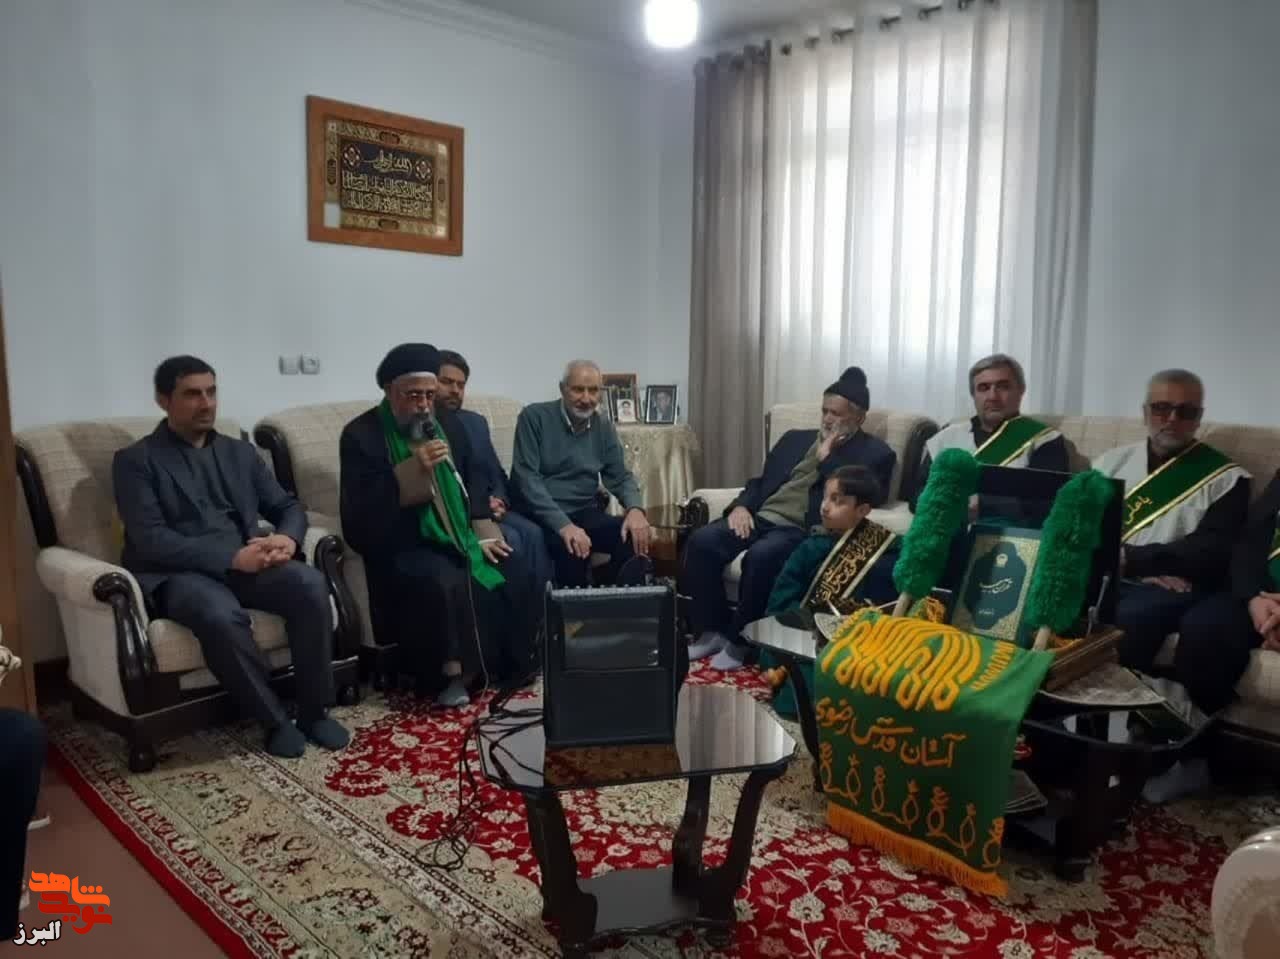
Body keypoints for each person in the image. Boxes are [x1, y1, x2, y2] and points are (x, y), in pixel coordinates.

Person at [113, 356, 348, 758]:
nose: (206, 403)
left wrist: (288, 539)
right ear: (163, 400)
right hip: (179, 573)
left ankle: (314, 711)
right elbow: (151, 539)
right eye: (192, 394)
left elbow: (287, 506)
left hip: (246, 563)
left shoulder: (240, 453)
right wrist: (232, 557)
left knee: (309, 584)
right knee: (218, 615)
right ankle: (273, 720)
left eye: (211, 391)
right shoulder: (136, 461)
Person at [340, 343, 538, 707]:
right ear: (390, 390)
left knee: (509, 558)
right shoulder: (361, 435)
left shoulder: (447, 423)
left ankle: (509, 662)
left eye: (429, 395)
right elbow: (363, 509)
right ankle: (451, 676)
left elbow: (473, 480)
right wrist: (413, 470)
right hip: (402, 539)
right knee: (444, 577)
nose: (423, 405)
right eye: (413, 395)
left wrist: (482, 532)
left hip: (459, 532)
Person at [1093, 369, 1249, 800]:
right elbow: (1083, 528)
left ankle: (1153, 745)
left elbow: (1210, 550)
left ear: (1199, 417)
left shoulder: (1227, 477)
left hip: (1181, 587)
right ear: (1145, 411)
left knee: (1131, 619)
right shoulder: (1109, 464)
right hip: (1115, 576)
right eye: (1162, 408)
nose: (1172, 419)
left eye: (1186, 411)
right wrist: (1130, 567)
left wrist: (1135, 560)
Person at [682, 367, 896, 671]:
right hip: (759, 517)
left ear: (859, 418)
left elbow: (864, 497)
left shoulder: (875, 454)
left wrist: (827, 459)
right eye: (824, 411)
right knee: (702, 541)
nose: (827, 419)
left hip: (798, 528)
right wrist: (741, 507)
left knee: (761, 556)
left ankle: (741, 642)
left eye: (836, 413)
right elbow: (760, 482)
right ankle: (712, 630)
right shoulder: (794, 439)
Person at [762, 466, 899, 717]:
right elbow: (781, 599)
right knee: (803, 691)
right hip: (806, 635)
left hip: (856, 639)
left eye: (838, 501)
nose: (825, 507)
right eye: (825, 497)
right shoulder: (810, 547)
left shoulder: (886, 553)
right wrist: (809, 626)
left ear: (863, 510)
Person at [510, 360, 653, 588]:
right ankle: (577, 609)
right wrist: (564, 526)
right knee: (573, 551)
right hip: (543, 515)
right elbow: (527, 480)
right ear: (562, 389)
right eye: (578, 389)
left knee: (630, 537)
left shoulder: (603, 425)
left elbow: (619, 476)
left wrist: (635, 510)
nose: (586, 399)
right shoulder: (533, 417)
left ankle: (614, 601)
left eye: (593, 390)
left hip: (584, 511)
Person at [435, 350, 552, 597]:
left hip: (492, 508)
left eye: (461, 385)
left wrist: (500, 499)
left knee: (534, 533)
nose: (455, 390)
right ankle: (511, 609)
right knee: (512, 540)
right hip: (463, 513)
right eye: (447, 382)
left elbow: (495, 471)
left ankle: (542, 608)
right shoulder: (426, 425)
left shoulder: (476, 422)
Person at [1174, 469, 1280, 715]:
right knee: (1203, 628)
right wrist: (1253, 597)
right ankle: (1201, 729)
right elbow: (1251, 537)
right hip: (1263, 596)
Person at [915, 353, 1069, 511]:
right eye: (983, 388)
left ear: (1021, 391)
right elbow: (917, 496)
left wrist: (985, 505)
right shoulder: (946, 436)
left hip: (1005, 526)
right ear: (974, 395)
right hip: (945, 522)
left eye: (1003, 387)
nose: (993, 396)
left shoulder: (1044, 439)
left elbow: (1049, 502)